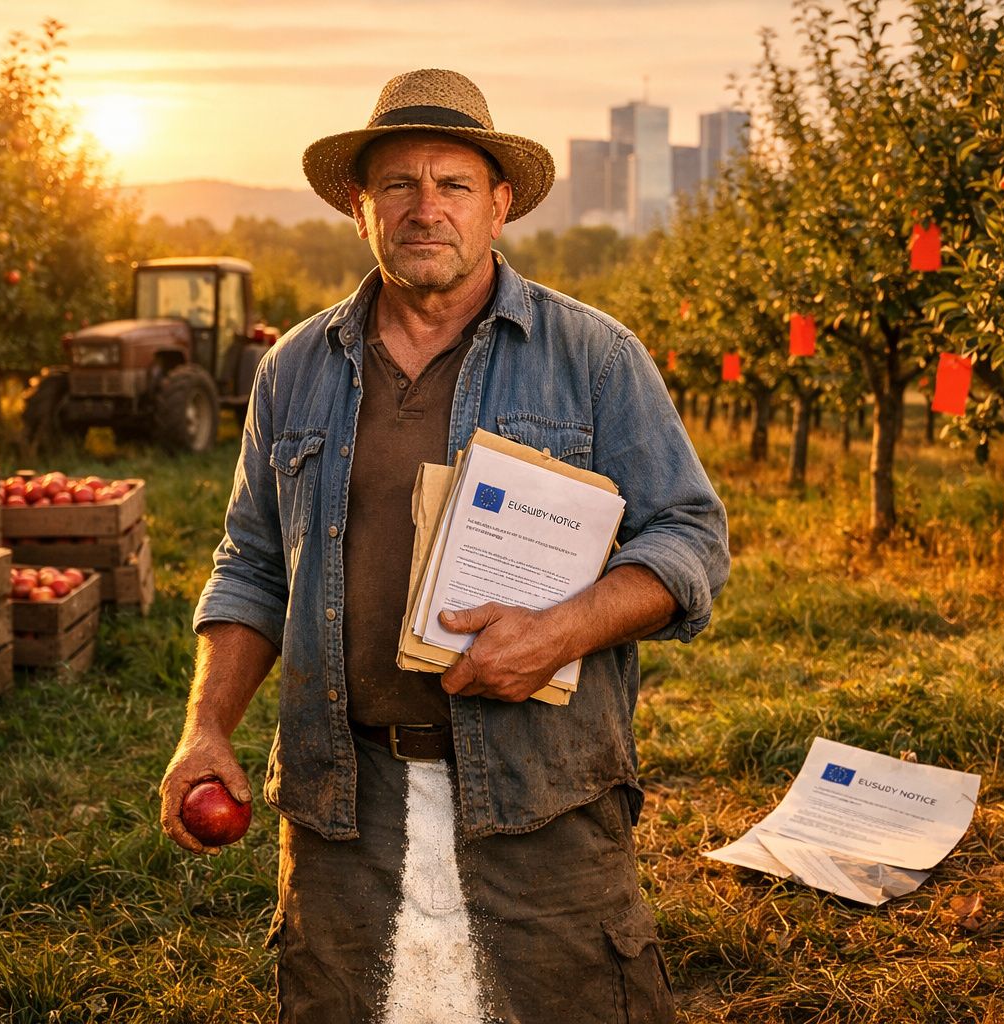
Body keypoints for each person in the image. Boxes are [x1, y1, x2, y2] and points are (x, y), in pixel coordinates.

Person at [160, 68, 729, 1023]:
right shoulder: (293, 369)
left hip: (539, 796)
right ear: (361, 206)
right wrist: (206, 727)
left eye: (455, 185)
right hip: (347, 801)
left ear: (500, 205)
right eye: (399, 185)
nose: (427, 209)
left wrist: (561, 630)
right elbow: (252, 565)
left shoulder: (592, 358)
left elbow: (690, 538)